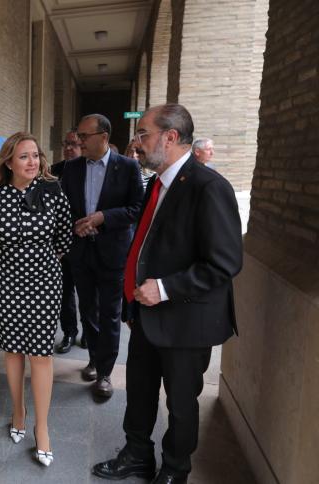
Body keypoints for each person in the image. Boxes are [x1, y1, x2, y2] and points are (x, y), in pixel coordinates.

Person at [92, 104, 242, 484]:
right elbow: (145, 246)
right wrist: (133, 299)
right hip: (146, 315)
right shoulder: (157, 183)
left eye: (143, 134)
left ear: (170, 137)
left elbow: (224, 263)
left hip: (186, 320)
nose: (136, 143)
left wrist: (164, 288)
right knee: (139, 391)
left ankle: (175, 469)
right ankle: (137, 454)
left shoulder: (210, 188)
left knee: (180, 403)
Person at [0, 132, 73, 467]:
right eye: (24, 157)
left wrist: (37, 264)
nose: (32, 162)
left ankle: (42, 428)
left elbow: (64, 238)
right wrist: (5, 267)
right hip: (6, 284)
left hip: (44, 283)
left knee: (41, 355)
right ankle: (18, 411)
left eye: (36, 155)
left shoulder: (54, 193)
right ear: (9, 162)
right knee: (13, 350)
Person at [59, 114, 143, 399]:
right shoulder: (71, 169)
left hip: (113, 253)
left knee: (110, 314)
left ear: (104, 137)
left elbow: (137, 209)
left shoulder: (129, 167)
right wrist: (73, 225)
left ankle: (105, 372)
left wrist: (102, 217)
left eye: (84, 136)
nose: (79, 142)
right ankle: (94, 358)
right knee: (88, 311)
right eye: (78, 137)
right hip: (81, 253)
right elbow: (63, 208)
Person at [51, 131, 86, 352]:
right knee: (64, 292)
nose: (68, 148)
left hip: (84, 242)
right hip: (59, 244)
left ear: (82, 146)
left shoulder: (89, 169)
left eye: (73, 144)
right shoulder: (54, 171)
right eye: (66, 143)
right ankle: (69, 333)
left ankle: (89, 334)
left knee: (89, 292)